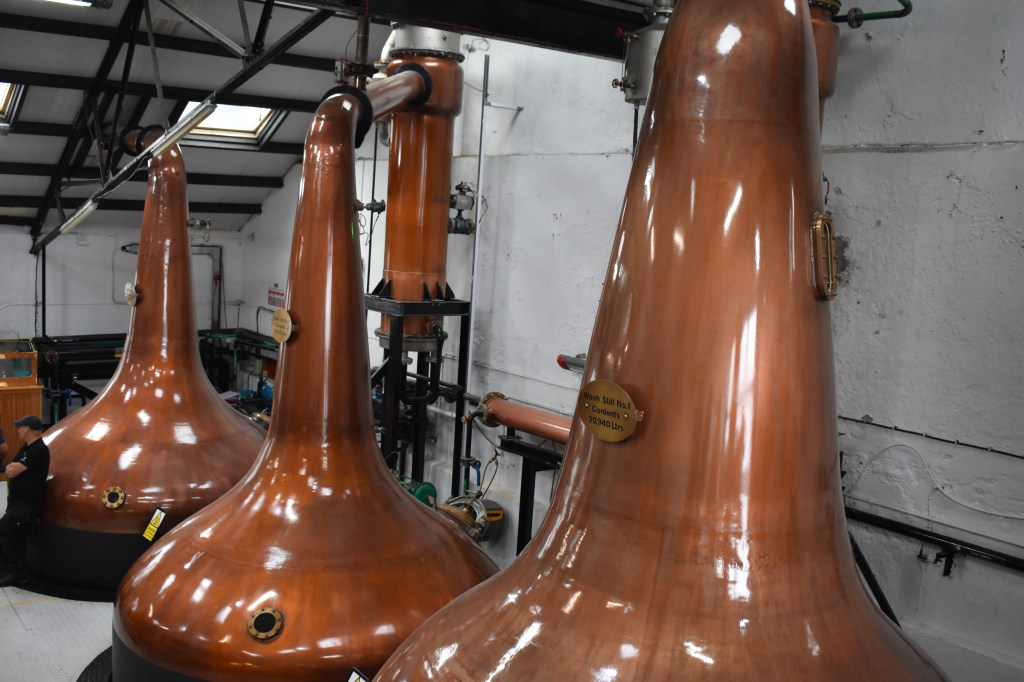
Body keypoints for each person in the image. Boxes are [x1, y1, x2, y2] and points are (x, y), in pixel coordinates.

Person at [0, 415, 50, 586]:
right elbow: (12, 466)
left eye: (20, 427)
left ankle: (17, 571)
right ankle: (17, 572)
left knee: (6, 530)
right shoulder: (26, 448)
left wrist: (10, 468)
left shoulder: (39, 449)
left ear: (27, 429)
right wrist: (10, 468)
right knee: (15, 536)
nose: (18, 430)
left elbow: (13, 470)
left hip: (26, 505)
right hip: (17, 502)